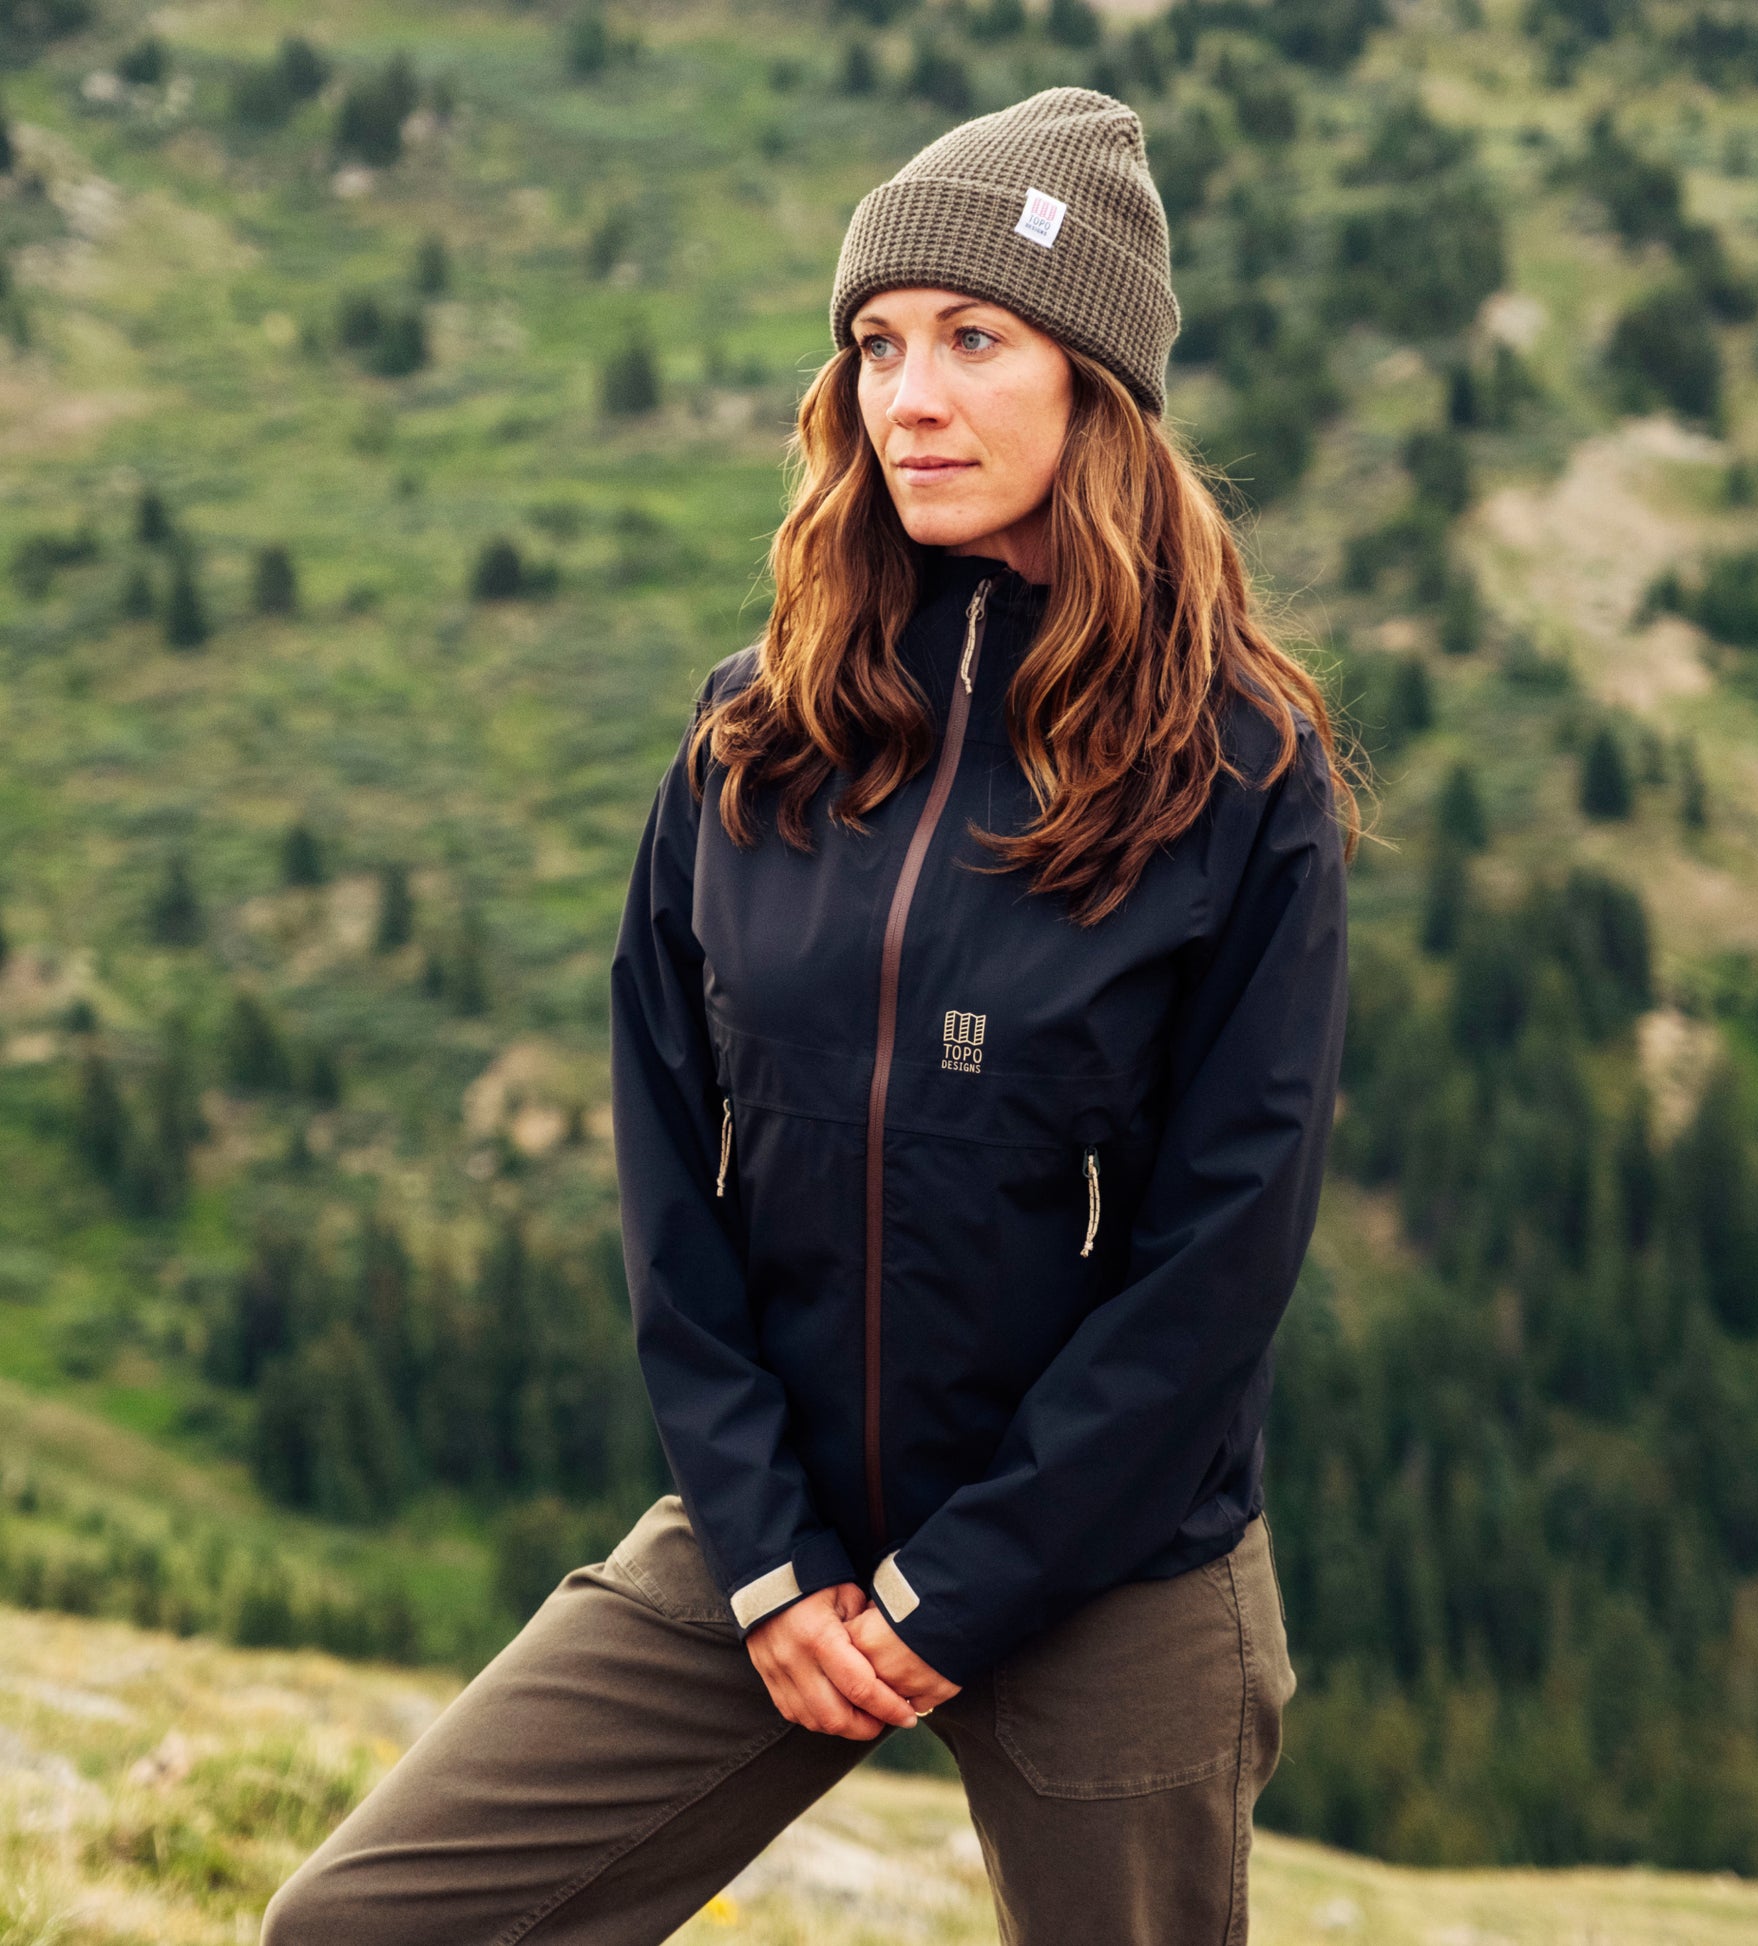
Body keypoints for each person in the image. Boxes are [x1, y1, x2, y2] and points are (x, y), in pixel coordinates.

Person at [261, 84, 1358, 1946]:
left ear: (1096, 384)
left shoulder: (1236, 771)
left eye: (971, 341)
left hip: (1108, 1558)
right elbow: (662, 1151)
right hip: (777, 1536)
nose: (908, 394)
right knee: (361, 1927)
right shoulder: (753, 728)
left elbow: (1219, 1254)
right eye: (874, 344)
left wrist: (964, 1588)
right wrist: (768, 1554)